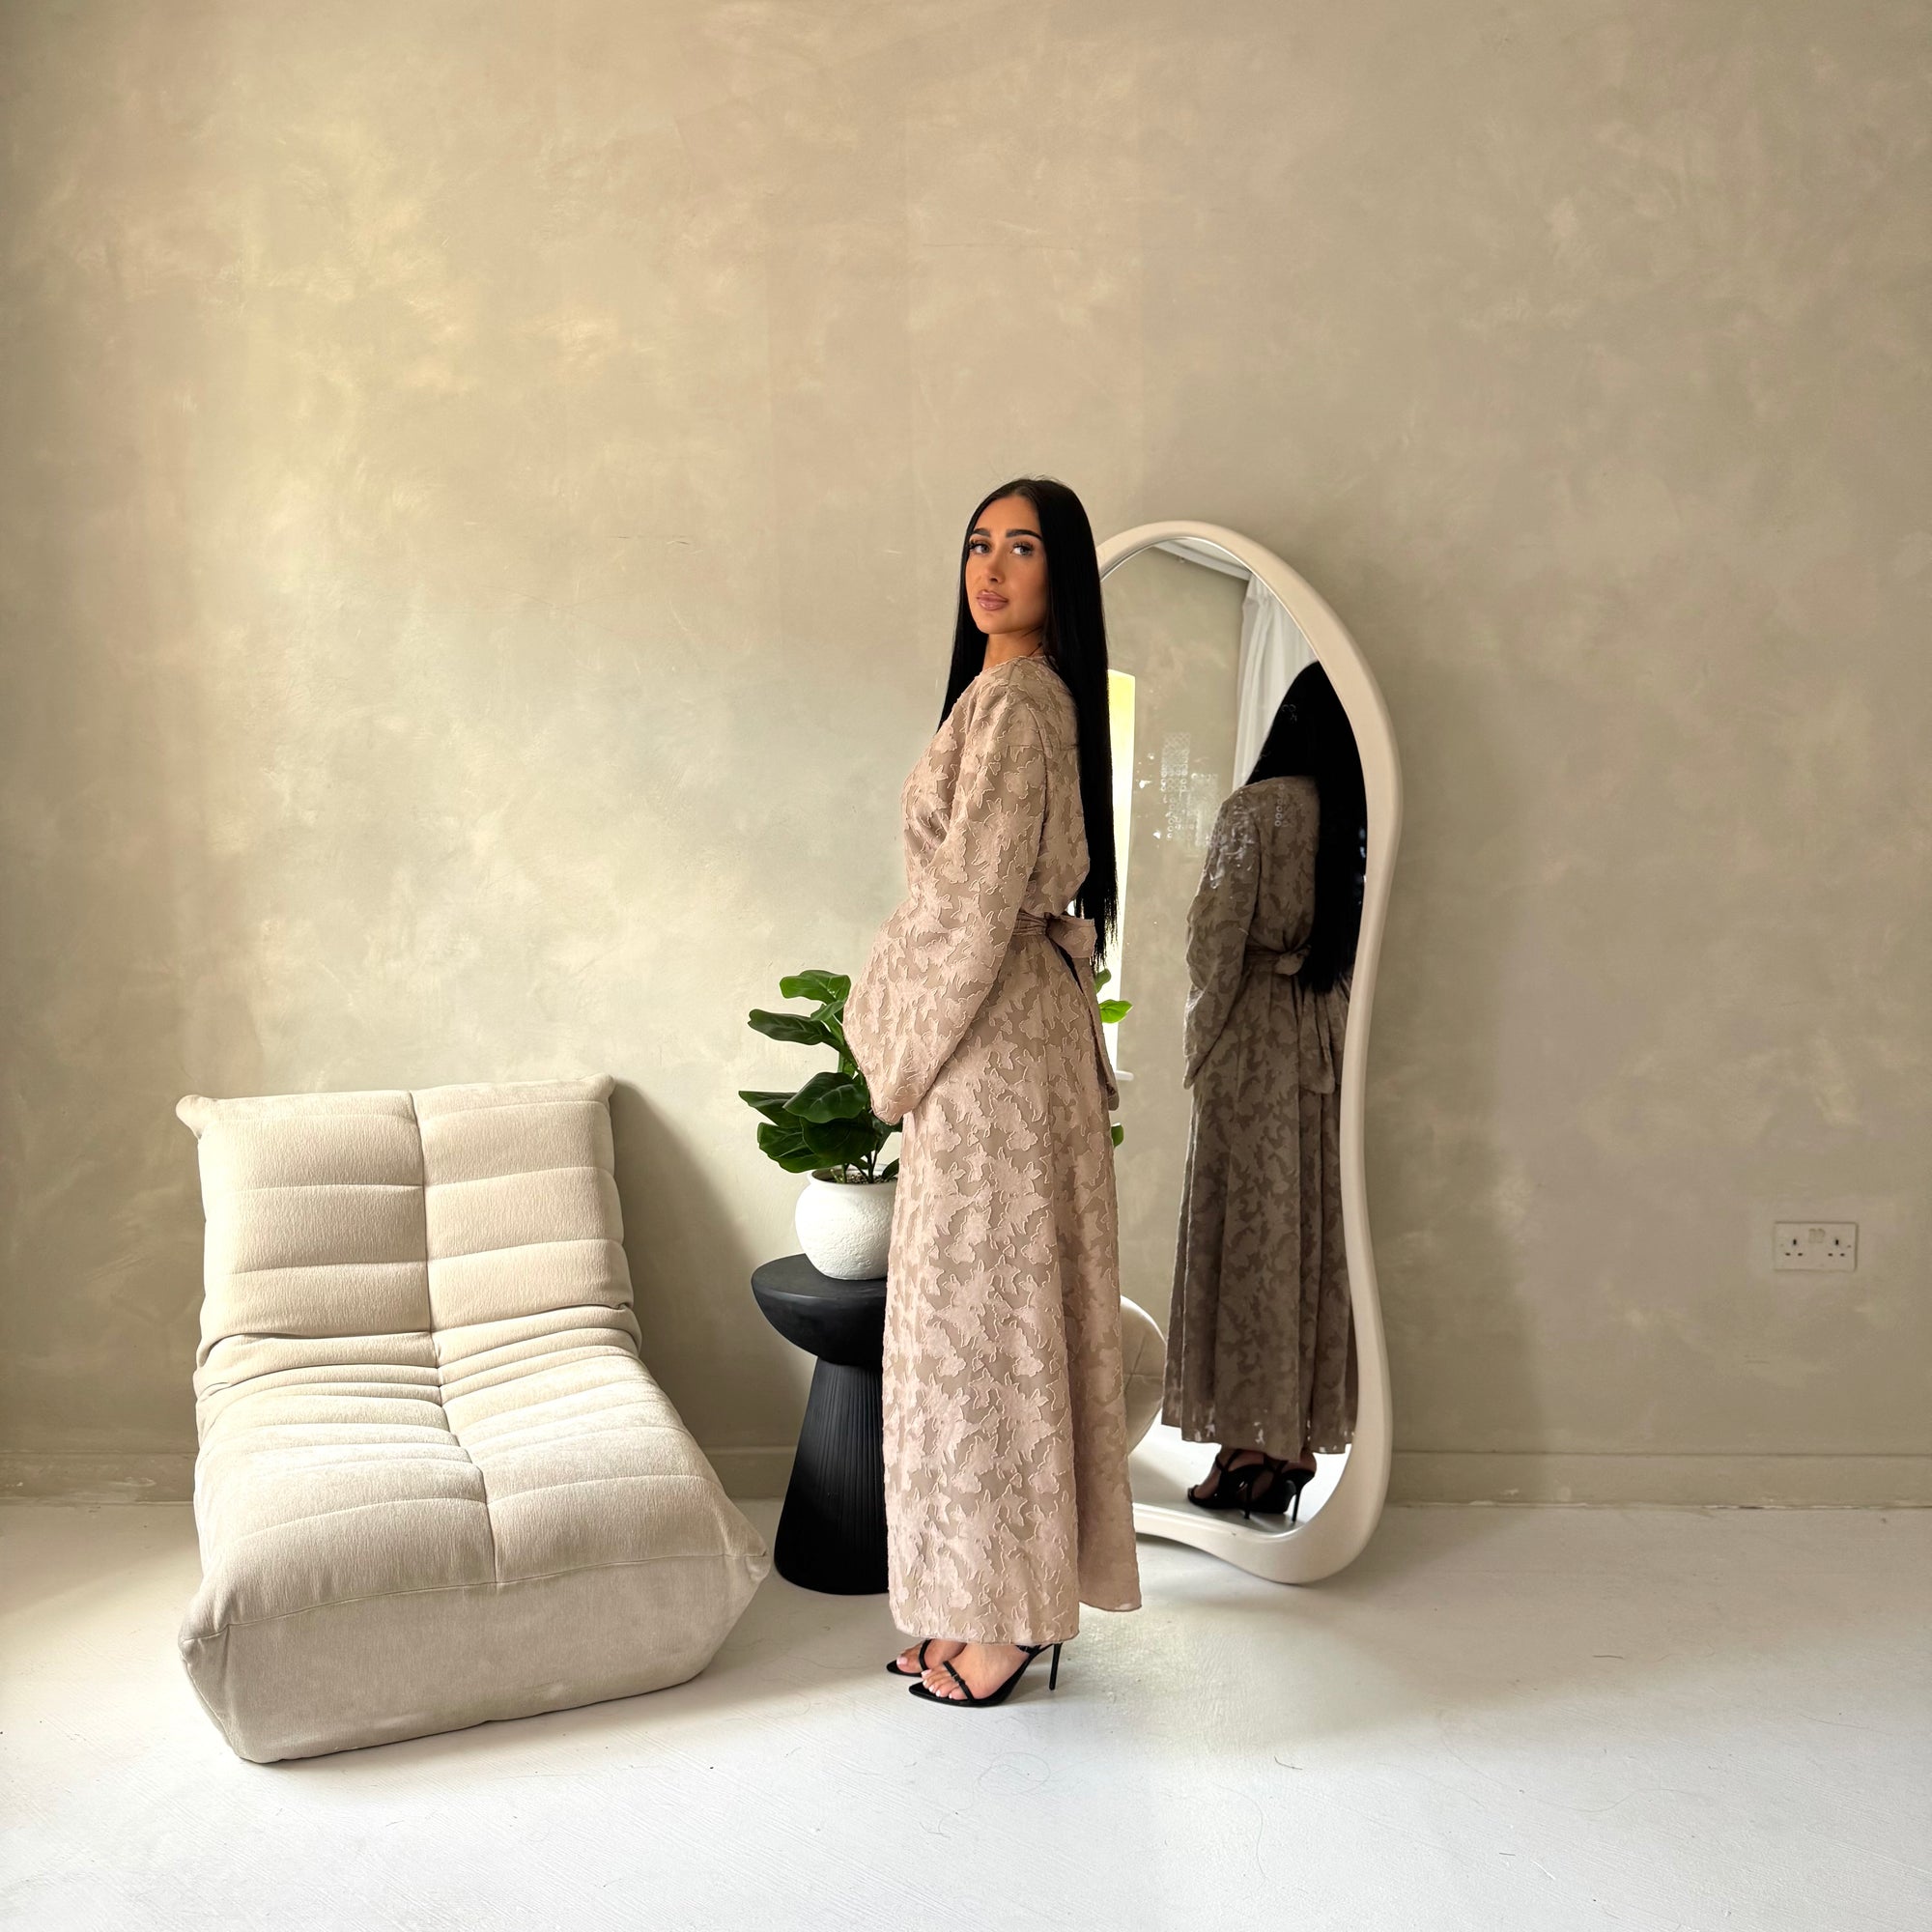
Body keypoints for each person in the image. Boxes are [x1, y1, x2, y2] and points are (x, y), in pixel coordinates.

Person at [843, 475, 1142, 1708]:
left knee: (981, 1331)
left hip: (990, 1037)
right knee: (982, 1326)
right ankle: (976, 1596)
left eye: (1021, 547)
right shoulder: (1003, 695)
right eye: (977, 543)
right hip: (1005, 1029)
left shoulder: (1020, 701)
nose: (991, 567)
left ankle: (1007, 1614)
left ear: (1059, 572)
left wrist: (889, 1043)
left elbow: (969, 900)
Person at [1164, 664, 1365, 1523]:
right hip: (1326, 1033)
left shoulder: (1254, 812)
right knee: (1307, 1231)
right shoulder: (1354, 821)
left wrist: (1203, 1041)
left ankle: (1250, 1442)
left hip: (1253, 1037)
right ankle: (1281, 1445)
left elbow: (1213, 938)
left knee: (1245, 1230)